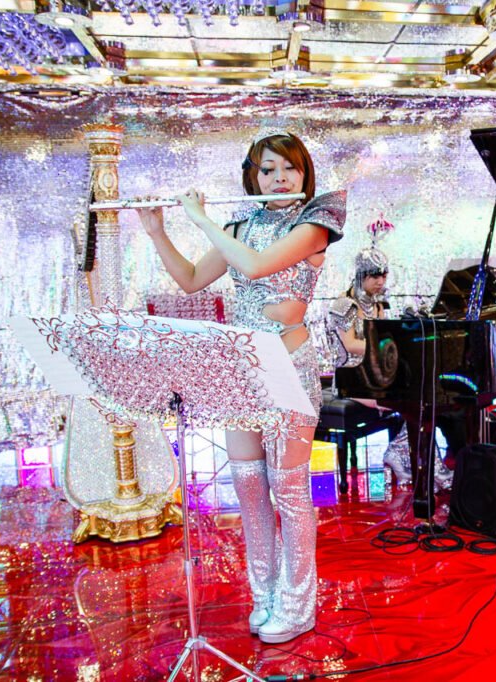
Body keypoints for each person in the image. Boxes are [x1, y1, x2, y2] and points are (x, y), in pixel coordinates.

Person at [136, 129, 345, 645]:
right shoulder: (239, 224)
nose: (278, 178)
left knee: (290, 491)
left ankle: (299, 606)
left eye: (288, 169)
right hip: (241, 370)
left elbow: (254, 265)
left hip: (289, 365)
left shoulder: (316, 220)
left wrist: (201, 219)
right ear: (252, 175)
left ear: (304, 174)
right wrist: (158, 230)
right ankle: (266, 595)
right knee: (249, 488)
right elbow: (189, 279)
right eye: (267, 169)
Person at [328, 246, 453, 490]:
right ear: (360, 275)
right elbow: (350, 344)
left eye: (383, 275)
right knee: (410, 401)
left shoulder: (378, 304)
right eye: (375, 276)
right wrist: (385, 348)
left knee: (426, 395)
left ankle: (409, 457)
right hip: (350, 376)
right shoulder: (344, 305)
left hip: (376, 374)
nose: (380, 281)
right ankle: (410, 459)